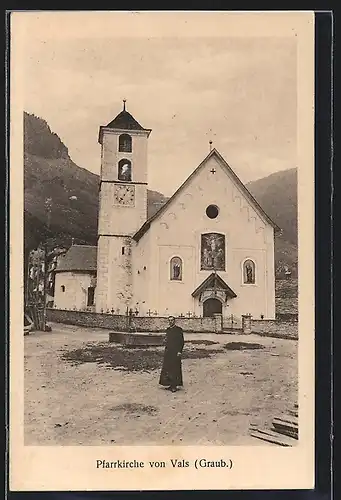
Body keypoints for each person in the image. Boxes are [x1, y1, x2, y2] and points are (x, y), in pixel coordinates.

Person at [159, 316, 184, 393]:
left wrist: (179, 351)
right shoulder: (168, 330)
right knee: (168, 368)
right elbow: (167, 340)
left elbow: (181, 341)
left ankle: (174, 386)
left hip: (175, 352)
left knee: (175, 368)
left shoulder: (179, 330)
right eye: (169, 320)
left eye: (172, 320)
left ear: (174, 321)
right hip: (168, 352)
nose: (170, 322)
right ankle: (170, 384)